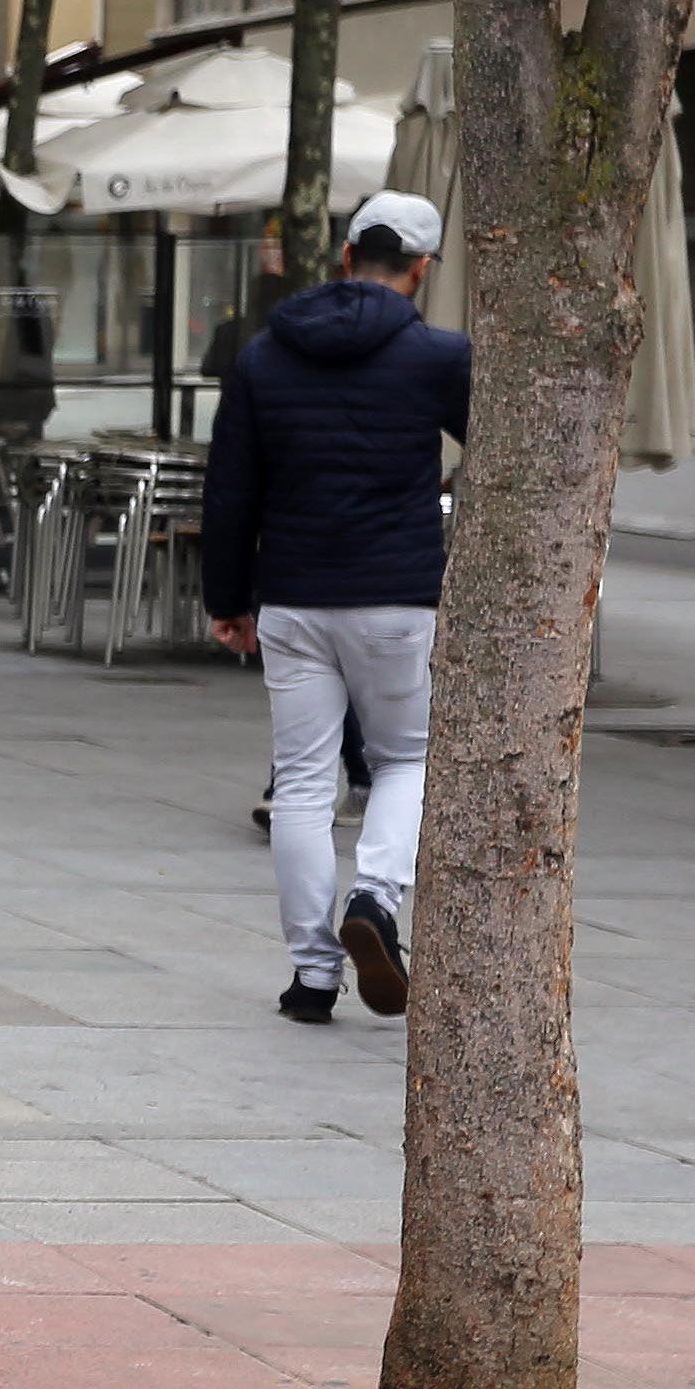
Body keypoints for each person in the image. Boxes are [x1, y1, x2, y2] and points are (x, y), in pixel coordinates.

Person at [202, 190, 470, 1025]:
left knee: (306, 787)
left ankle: (313, 977)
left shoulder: (264, 356)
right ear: (421, 270)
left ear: (345, 255)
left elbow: (231, 487)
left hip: (294, 599)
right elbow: (497, 460)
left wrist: (227, 598)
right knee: (407, 761)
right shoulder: (438, 357)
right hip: (397, 598)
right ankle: (378, 901)